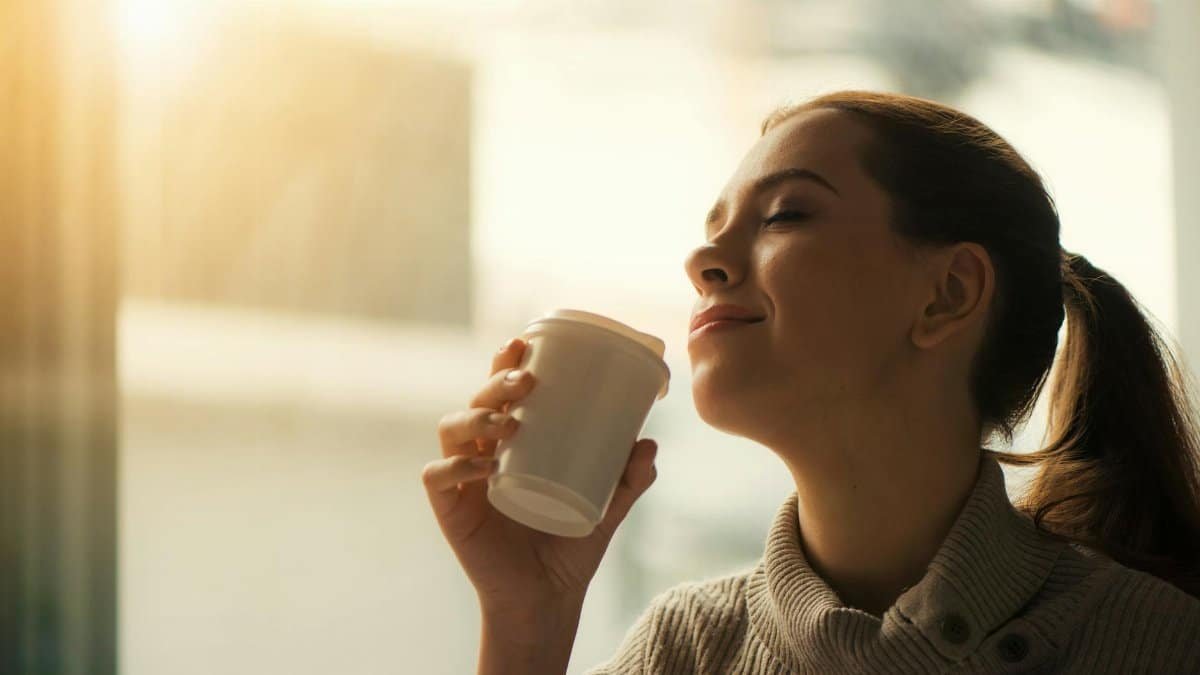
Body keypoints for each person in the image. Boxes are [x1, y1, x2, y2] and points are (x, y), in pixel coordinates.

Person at [422, 90, 1200, 674]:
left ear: (949, 293)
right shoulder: (686, 650)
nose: (703, 261)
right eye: (713, 227)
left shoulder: (1160, 646)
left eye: (786, 214)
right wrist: (528, 616)